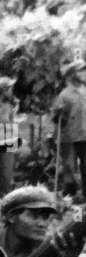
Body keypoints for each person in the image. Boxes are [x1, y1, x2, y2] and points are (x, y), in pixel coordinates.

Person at [53, 60, 86, 197]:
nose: (84, 73)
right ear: (72, 74)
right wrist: (59, 113)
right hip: (74, 136)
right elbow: (56, 118)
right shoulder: (65, 94)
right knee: (73, 166)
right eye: (81, 70)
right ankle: (74, 194)